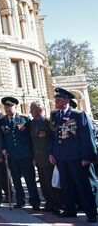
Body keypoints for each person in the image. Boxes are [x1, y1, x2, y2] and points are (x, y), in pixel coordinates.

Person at [49, 88, 97, 222]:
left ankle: (91, 213)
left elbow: (87, 137)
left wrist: (87, 157)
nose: (56, 100)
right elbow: (52, 136)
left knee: (83, 186)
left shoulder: (78, 115)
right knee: (66, 185)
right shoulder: (54, 115)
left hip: (76, 158)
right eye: (55, 98)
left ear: (66, 101)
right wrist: (51, 152)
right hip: (60, 157)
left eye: (58, 99)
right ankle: (70, 210)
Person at [0, 96, 40, 210]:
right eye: (6, 107)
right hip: (11, 155)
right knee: (16, 180)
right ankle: (20, 200)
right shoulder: (2, 121)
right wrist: (3, 148)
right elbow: (1, 138)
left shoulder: (24, 119)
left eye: (10, 107)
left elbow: (31, 137)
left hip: (25, 155)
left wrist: (33, 154)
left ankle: (35, 202)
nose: (8, 109)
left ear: (15, 107)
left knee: (30, 180)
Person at [29, 101, 61, 212]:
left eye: (32, 109)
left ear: (38, 110)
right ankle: (49, 202)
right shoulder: (32, 123)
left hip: (48, 158)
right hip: (38, 158)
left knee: (51, 182)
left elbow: (53, 140)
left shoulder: (48, 122)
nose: (30, 112)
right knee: (43, 182)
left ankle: (57, 203)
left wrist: (51, 154)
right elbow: (33, 141)